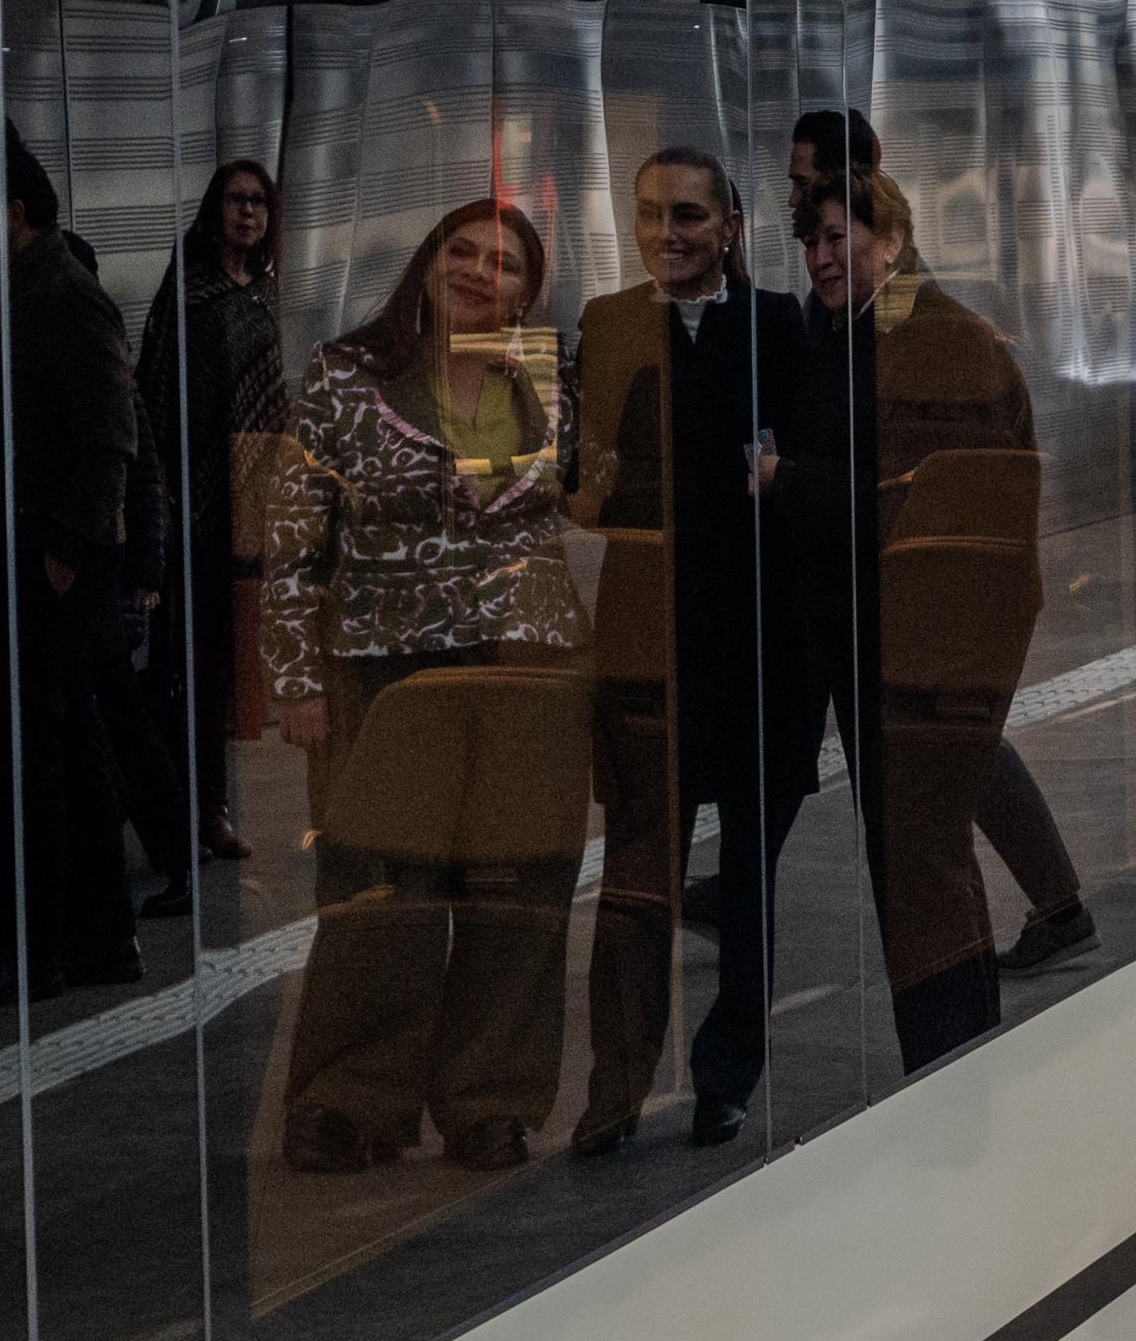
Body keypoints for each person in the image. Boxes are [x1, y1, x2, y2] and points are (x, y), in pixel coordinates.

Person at [266, 199, 583, 1174]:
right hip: (382, 665)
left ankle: (489, 1101)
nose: (482, 272)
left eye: (506, 263)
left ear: (528, 288)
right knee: (377, 891)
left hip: (523, 661)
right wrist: (295, 677)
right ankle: (346, 1100)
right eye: (463, 251)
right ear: (428, 261)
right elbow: (291, 537)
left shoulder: (544, 374)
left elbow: (581, 495)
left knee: (515, 891)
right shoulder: (344, 375)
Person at [779, 111, 1093, 978]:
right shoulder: (851, 314)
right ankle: (1047, 911)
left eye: (814, 193)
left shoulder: (918, 328)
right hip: (895, 610)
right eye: (802, 204)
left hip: (928, 616)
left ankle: (988, 973)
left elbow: (904, 482)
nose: (804, 220)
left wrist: (792, 482)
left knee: (933, 808)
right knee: (938, 793)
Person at [567, 147, 813, 1153]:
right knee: (637, 880)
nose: (665, 233)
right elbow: (586, 479)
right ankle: (615, 1087)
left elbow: (804, 464)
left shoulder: (778, 325)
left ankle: (724, 1075)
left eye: (686, 215)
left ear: (729, 224)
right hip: (650, 638)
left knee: (747, 883)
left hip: (755, 641)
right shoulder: (609, 325)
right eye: (647, 214)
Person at [0, 129, 145, 1006]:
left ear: (15, 212)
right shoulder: (14, 290)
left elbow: (110, 435)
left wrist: (65, 547)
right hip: (31, 551)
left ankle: (38, 948)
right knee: (67, 743)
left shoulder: (57, 293)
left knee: (34, 755)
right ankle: (96, 938)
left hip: (49, 558)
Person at [131, 159, 285, 871]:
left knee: (225, 670)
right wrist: (158, 497)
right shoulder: (189, 289)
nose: (247, 212)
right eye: (235, 199)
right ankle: (175, 812)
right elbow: (154, 391)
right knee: (179, 667)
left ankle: (211, 807)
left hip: (246, 508)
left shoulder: (268, 293)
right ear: (214, 208)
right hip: (188, 503)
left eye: (258, 201)